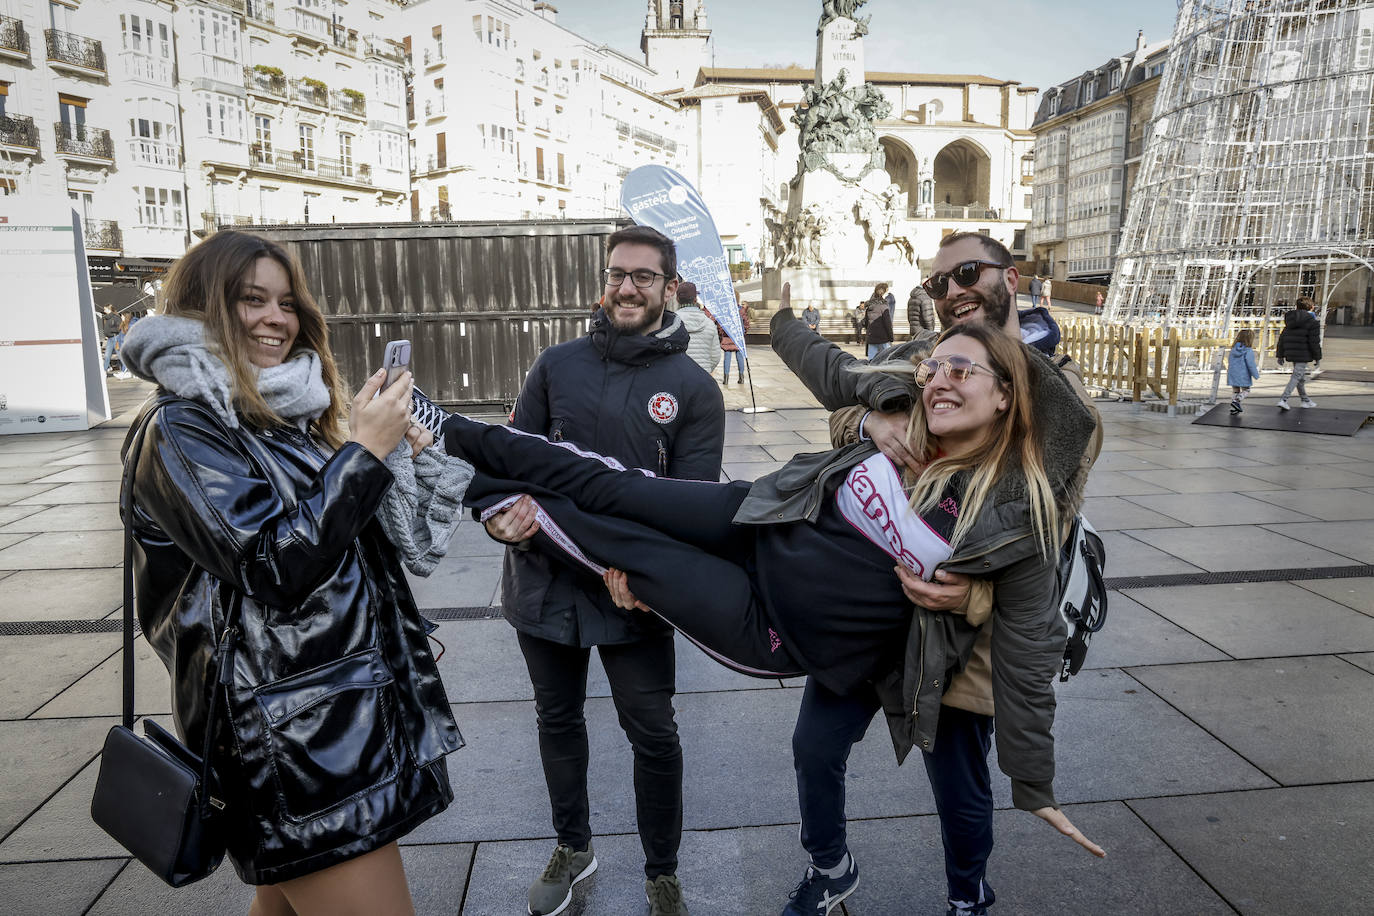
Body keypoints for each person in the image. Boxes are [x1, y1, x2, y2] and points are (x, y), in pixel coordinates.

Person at [425, 320, 1103, 916]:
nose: (937, 382)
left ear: (1008, 394)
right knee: (618, 488)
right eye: (933, 367)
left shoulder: (1017, 512)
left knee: (616, 540)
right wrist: (778, 323)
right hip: (763, 518)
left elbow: (1025, 652)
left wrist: (1035, 785)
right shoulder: (905, 422)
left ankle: (454, 479)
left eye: (962, 370)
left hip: (774, 625)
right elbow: (837, 375)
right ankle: (444, 432)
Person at [118, 231, 464, 915]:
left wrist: (385, 459)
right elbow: (273, 565)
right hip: (292, 743)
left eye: (287, 303)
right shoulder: (182, 429)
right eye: (252, 301)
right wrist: (364, 449)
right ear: (200, 308)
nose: (278, 319)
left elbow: (341, 551)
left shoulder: (272, 417)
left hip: (327, 713)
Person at [771, 231, 1102, 916]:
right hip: (873, 599)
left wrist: (977, 593)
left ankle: (967, 894)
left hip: (962, 634)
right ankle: (830, 866)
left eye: (967, 274)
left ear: (1009, 277)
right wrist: (865, 423)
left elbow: (1051, 531)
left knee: (957, 781)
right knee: (814, 745)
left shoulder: (1059, 394)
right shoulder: (920, 360)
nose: (952, 292)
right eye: (938, 284)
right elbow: (841, 401)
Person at [480, 224, 723, 916]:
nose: (627, 286)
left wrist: (653, 580)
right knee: (556, 719)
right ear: (603, 281)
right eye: (618, 273)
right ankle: (573, 847)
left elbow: (695, 508)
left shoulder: (694, 388)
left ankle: (662, 873)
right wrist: (498, 519)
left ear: (669, 287)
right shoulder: (556, 364)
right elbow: (507, 462)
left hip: (632, 597)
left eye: (643, 276)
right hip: (542, 583)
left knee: (653, 731)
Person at [1276, 297, 1321, 410]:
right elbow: (1314, 342)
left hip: (1291, 351)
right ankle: (1284, 399)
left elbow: (1282, 337)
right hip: (1303, 352)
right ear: (1311, 307)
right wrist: (1317, 357)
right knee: (1296, 376)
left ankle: (1305, 400)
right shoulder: (1313, 322)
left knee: (1300, 377)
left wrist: (1280, 354)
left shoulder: (1290, 319)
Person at [674, 281, 722, 377]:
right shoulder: (709, 324)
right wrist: (706, 369)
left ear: (677, 299)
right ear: (695, 299)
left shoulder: (671, 323)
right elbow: (715, 357)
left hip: (678, 377)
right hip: (703, 377)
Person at [716, 295, 750, 385]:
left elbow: (720, 325)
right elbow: (746, 323)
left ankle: (726, 379)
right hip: (738, 337)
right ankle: (741, 378)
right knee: (740, 357)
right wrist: (743, 333)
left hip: (728, 337)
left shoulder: (725, 310)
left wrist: (722, 333)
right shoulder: (741, 310)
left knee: (727, 358)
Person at [1227, 328, 1260, 414]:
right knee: (1246, 390)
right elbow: (1250, 364)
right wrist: (1255, 374)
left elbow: (1229, 360)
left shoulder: (1233, 349)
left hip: (1233, 373)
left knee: (1235, 390)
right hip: (1243, 374)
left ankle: (1234, 408)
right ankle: (1236, 401)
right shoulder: (1248, 351)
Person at [863, 283, 894, 359]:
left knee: (871, 360)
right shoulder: (884, 306)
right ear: (883, 293)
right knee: (887, 359)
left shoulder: (869, 306)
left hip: (872, 337)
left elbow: (866, 323)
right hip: (883, 338)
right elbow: (888, 324)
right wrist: (891, 337)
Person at [100, 304, 124, 375]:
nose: (104, 310)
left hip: (115, 337)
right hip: (109, 338)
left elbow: (120, 327)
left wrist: (113, 331)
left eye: (105, 309)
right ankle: (104, 370)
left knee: (119, 354)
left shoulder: (116, 317)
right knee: (107, 355)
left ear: (109, 309)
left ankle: (125, 369)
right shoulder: (106, 318)